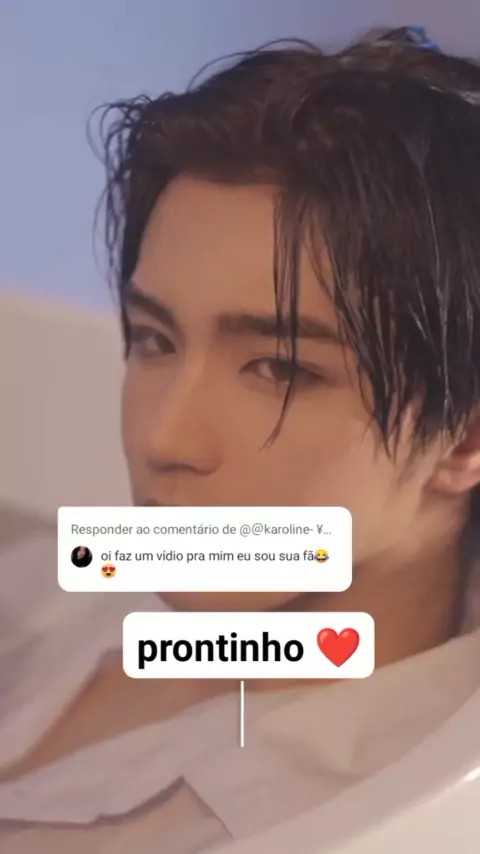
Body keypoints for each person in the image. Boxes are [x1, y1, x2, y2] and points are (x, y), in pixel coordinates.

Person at [2, 25, 480, 853]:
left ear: (464, 437)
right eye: (156, 340)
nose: (164, 437)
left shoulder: (333, 821)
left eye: (279, 369)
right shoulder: (125, 575)